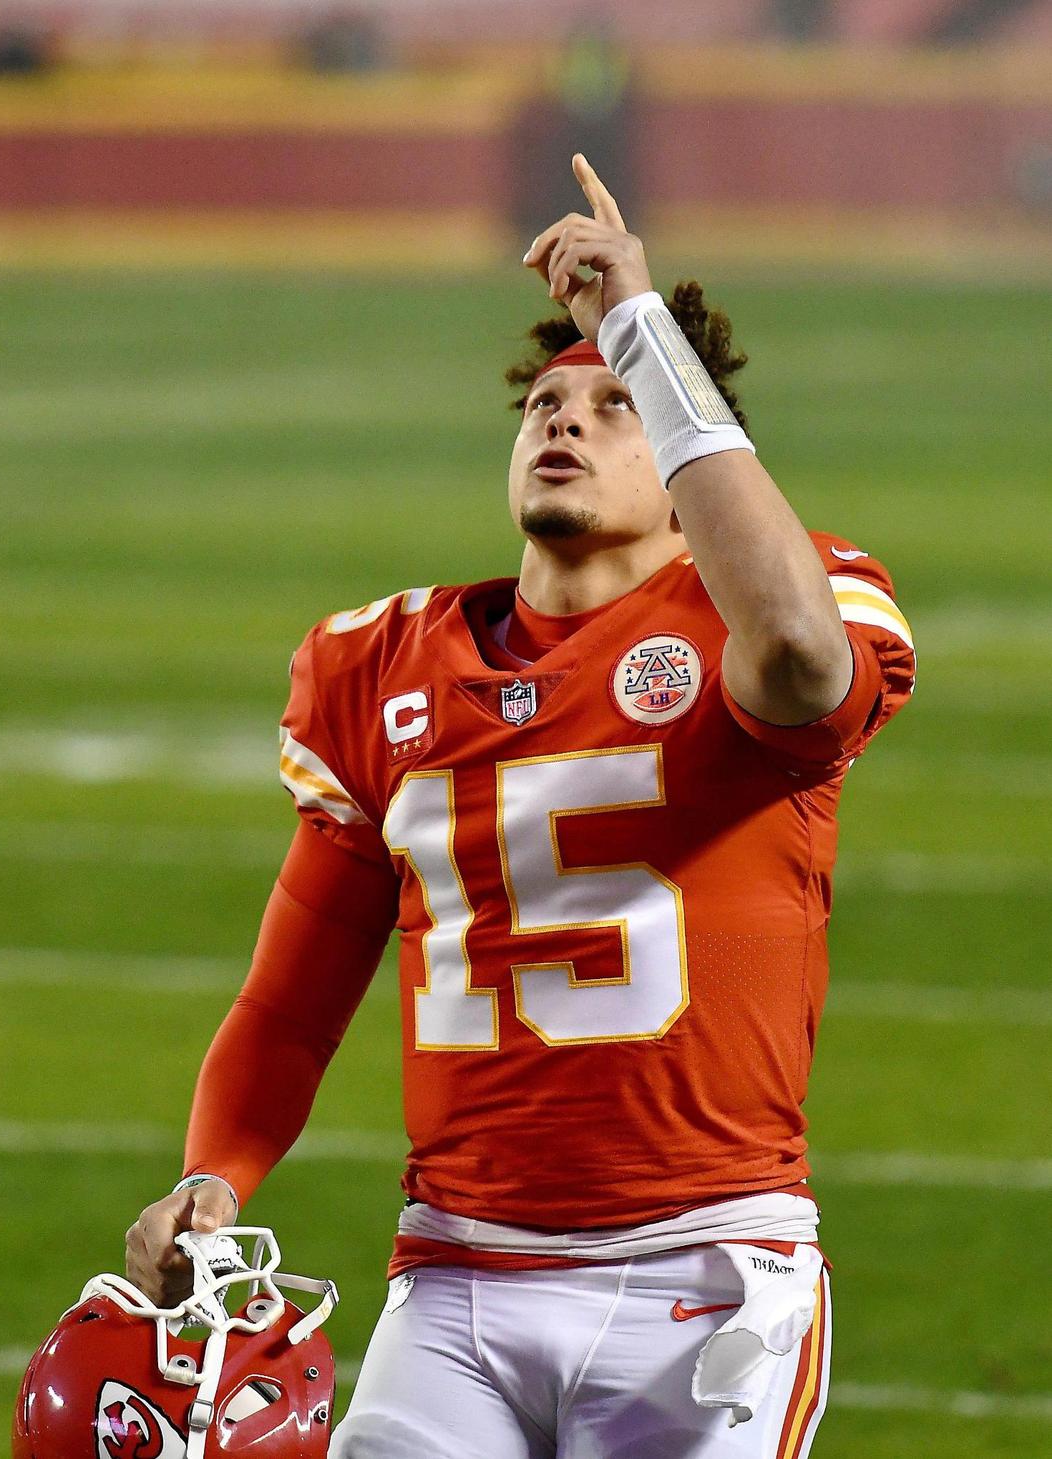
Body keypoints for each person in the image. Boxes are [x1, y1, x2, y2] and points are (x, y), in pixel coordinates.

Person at [126, 156, 915, 1457]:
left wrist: (644, 333)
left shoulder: (764, 615)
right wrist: (215, 1177)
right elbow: (291, 999)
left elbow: (798, 653)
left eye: (616, 411)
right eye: (546, 402)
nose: (565, 420)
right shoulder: (380, 666)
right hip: (457, 1281)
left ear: (682, 468)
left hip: (707, 1276)